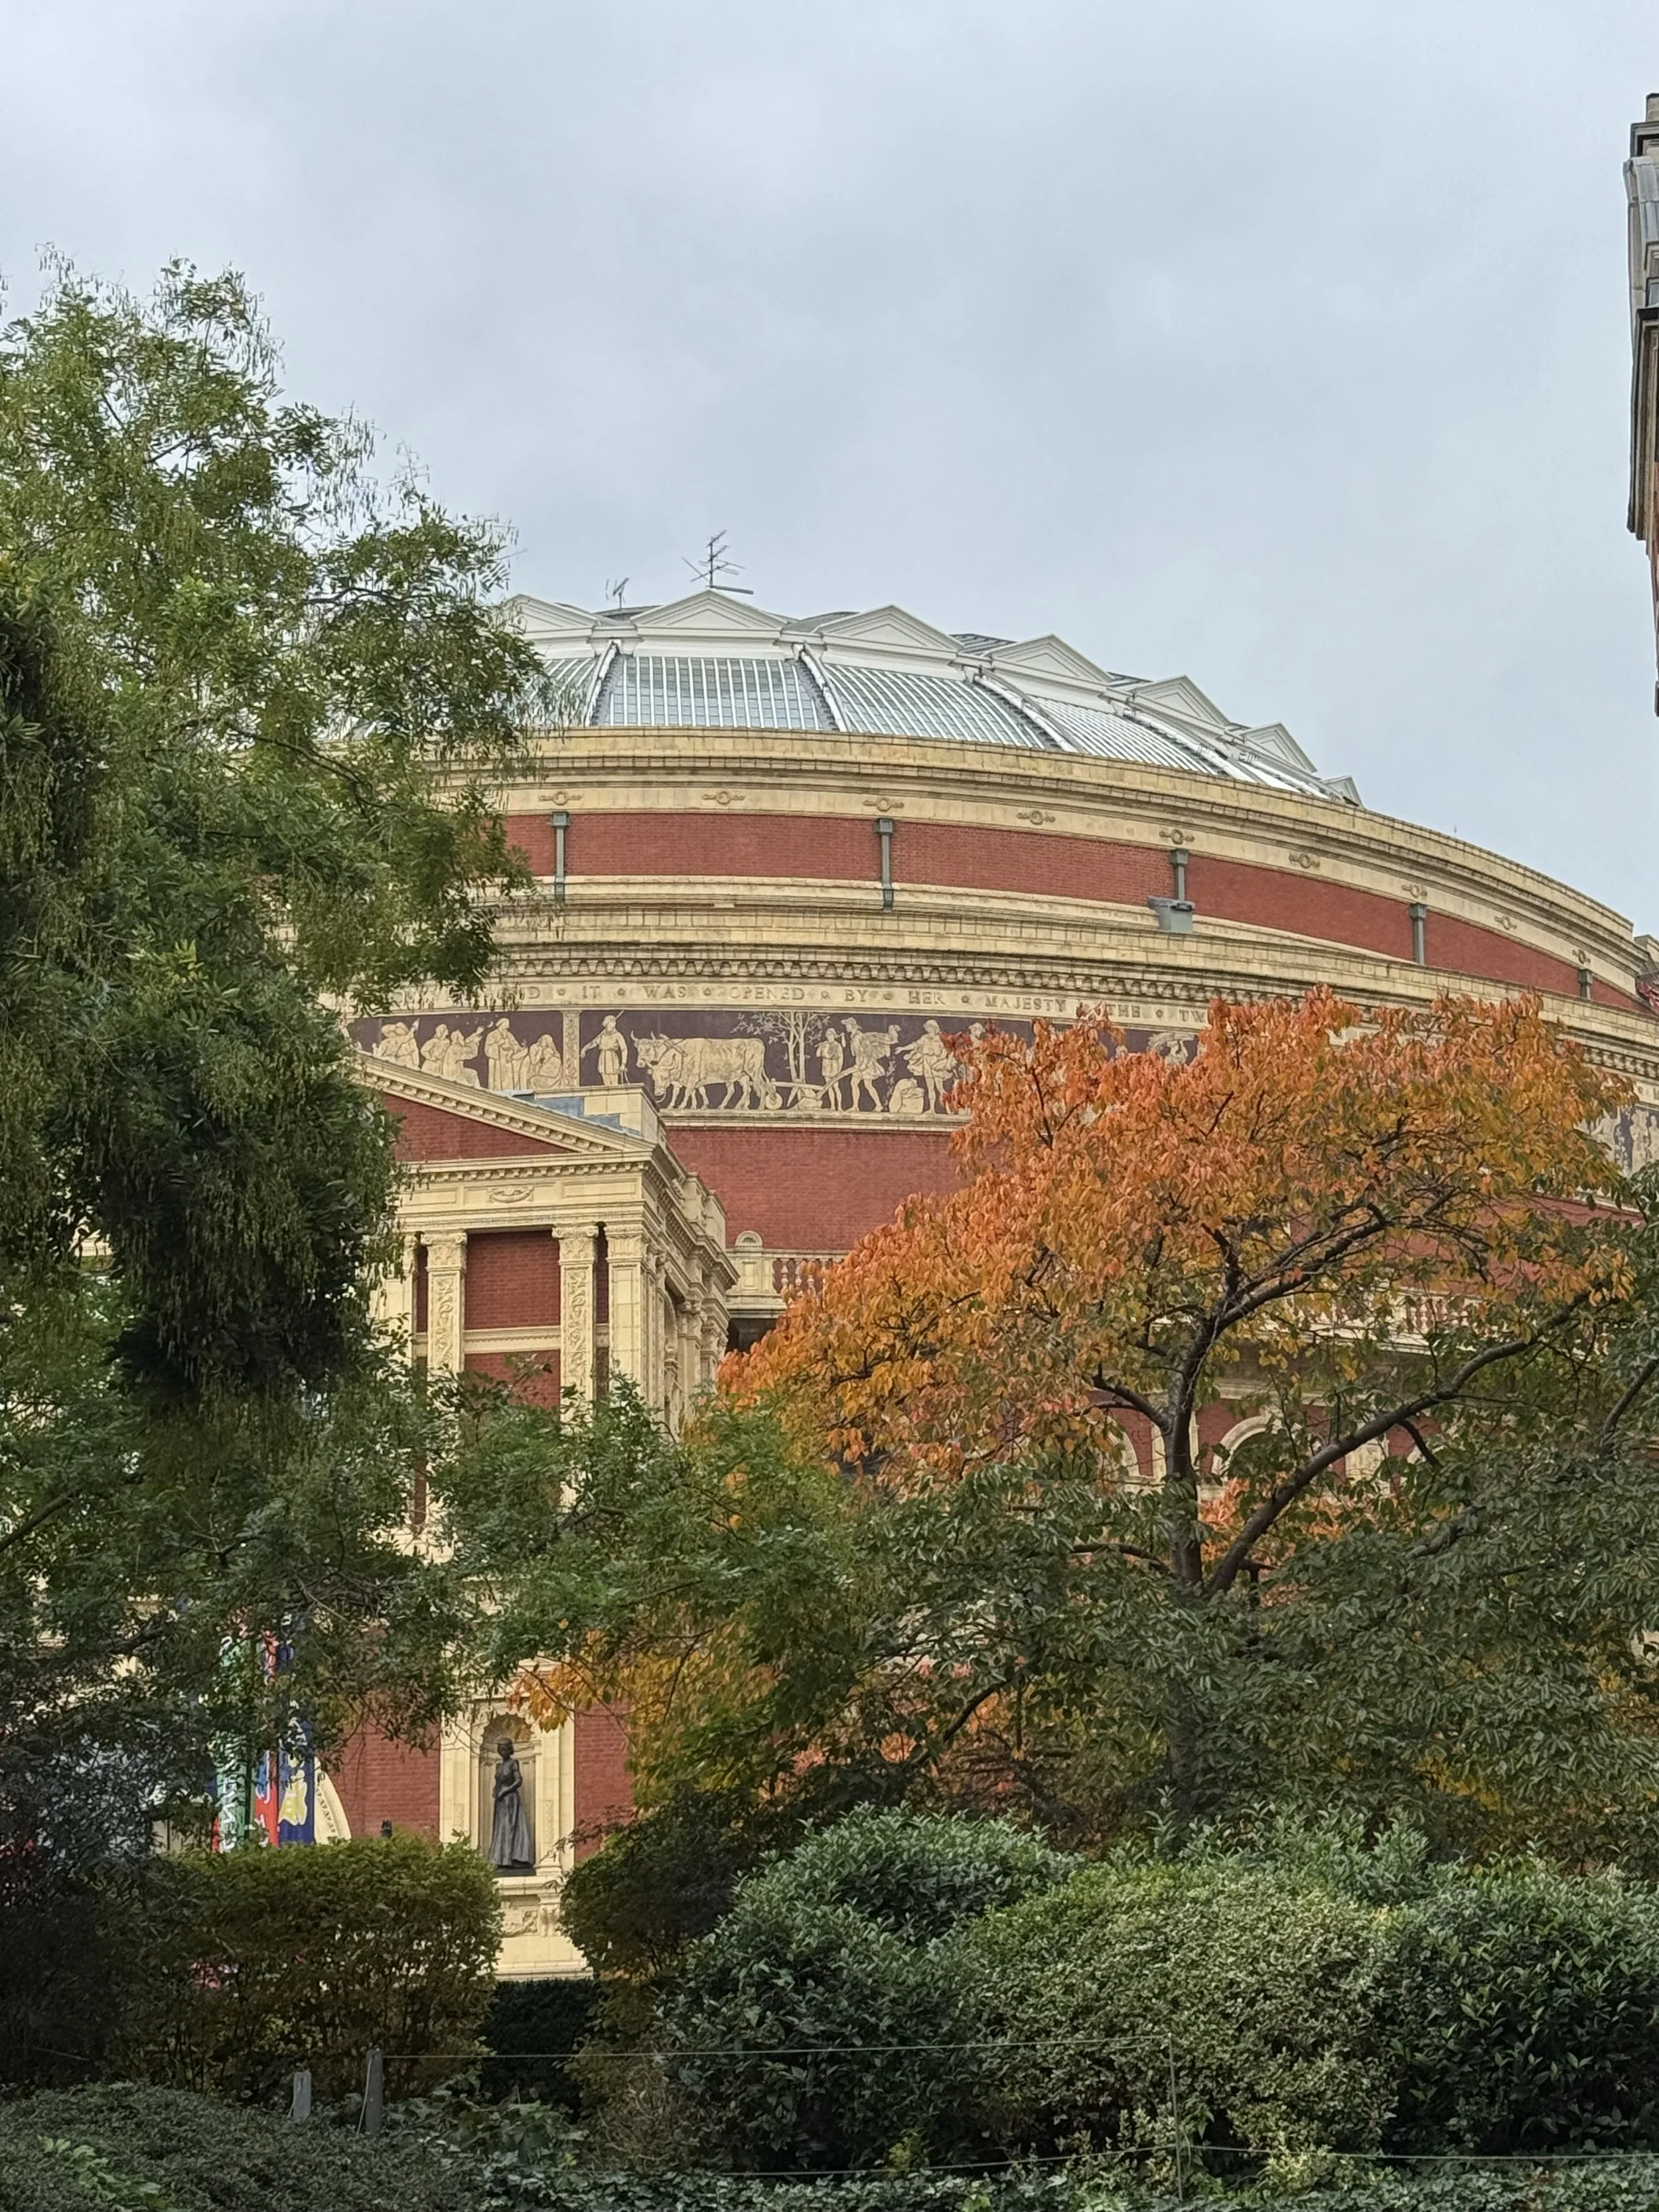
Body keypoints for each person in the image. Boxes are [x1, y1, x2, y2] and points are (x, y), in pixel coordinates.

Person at [487, 1737, 534, 1873]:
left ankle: (514, 1857)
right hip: (501, 1801)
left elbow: (519, 1780)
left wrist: (506, 1791)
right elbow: (498, 1783)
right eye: (501, 1749)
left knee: (512, 1827)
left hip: (511, 1800)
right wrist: (496, 1791)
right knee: (501, 1828)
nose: (503, 1751)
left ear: (510, 1749)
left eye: (505, 1748)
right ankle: (501, 1858)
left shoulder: (514, 1763)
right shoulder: (498, 1766)